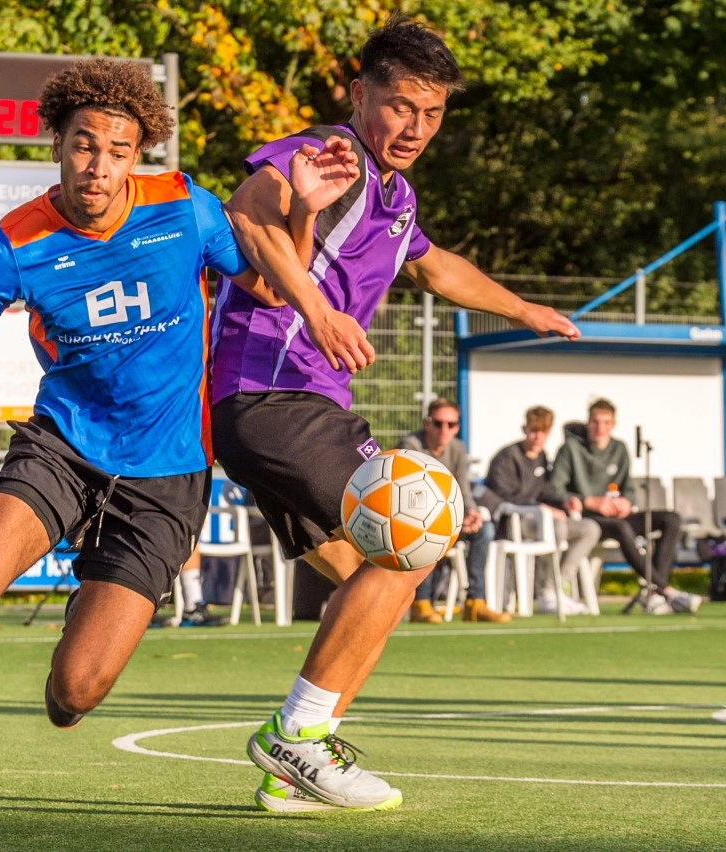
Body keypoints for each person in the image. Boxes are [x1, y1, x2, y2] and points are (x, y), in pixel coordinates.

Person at [0, 58, 356, 822]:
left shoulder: (186, 209)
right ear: (57, 143)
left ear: (137, 156)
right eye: (85, 144)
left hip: (167, 474)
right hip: (62, 447)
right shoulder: (15, 245)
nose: (99, 165)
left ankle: (92, 591)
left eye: (118, 151)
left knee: (74, 696)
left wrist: (305, 212)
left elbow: (270, 289)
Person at [211, 16, 579, 813]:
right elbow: (246, 212)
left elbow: (435, 267)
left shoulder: (395, 194)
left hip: (275, 407)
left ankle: (298, 765)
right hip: (274, 392)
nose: (416, 127)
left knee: (370, 588)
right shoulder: (329, 155)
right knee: (416, 540)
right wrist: (315, 310)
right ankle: (297, 737)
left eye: (433, 113)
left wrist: (522, 309)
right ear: (359, 95)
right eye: (401, 105)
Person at [549, 398, 698, 615]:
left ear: (613, 425)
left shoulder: (619, 448)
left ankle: (654, 594)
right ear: (588, 423)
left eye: (606, 422)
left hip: (617, 516)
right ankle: (664, 591)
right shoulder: (570, 449)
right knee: (622, 528)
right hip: (588, 520)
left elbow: (628, 488)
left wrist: (627, 502)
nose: (600, 428)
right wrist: (588, 501)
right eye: (595, 422)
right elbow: (554, 490)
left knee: (671, 519)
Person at [396, 398, 506, 623]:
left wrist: (471, 513)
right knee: (427, 531)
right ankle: (420, 603)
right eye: (438, 423)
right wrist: (452, 519)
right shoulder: (411, 446)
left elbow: (463, 490)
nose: (444, 429)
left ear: (457, 427)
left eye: (451, 424)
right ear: (427, 423)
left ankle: (475, 602)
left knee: (485, 530)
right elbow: (414, 496)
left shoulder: (457, 448)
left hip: (448, 520)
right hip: (415, 519)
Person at [484, 405, 602, 615]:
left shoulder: (542, 457)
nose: (538, 437)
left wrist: (565, 502)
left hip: (541, 520)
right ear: (524, 429)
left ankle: (555, 588)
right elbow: (501, 496)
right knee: (556, 526)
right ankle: (544, 593)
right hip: (513, 522)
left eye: (544, 432)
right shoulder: (507, 457)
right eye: (534, 431)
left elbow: (546, 491)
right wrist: (540, 507)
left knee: (590, 529)